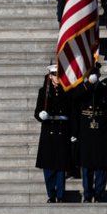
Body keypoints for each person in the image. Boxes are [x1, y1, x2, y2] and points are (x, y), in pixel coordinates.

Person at [72, 69, 107, 203]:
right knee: (87, 164)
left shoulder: (104, 89)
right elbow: (75, 98)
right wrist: (88, 84)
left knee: (101, 164)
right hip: (86, 130)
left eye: (95, 75)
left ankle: (100, 193)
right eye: (90, 75)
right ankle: (88, 193)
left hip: (101, 129)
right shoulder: (82, 88)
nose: (93, 77)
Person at [34, 65, 72, 203]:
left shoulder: (67, 91)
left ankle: (60, 195)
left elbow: (71, 112)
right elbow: (37, 112)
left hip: (62, 130)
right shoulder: (43, 91)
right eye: (54, 75)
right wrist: (41, 115)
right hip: (49, 131)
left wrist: (73, 133)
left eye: (59, 75)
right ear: (50, 76)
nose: (57, 78)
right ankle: (51, 194)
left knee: (60, 167)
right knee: (49, 166)